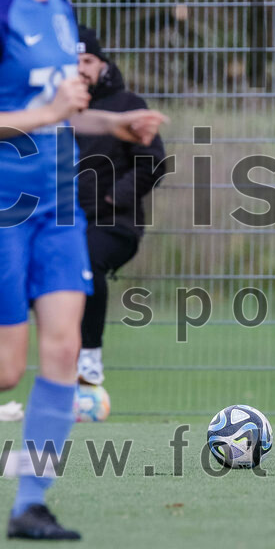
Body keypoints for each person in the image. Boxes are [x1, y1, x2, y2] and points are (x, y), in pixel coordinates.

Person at [0, 0, 166, 540]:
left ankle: (30, 503)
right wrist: (43, 113)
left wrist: (115, 127)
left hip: (58, 206)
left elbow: (60, 118)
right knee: (0, 369)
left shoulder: (62, 12)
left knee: (63, 352)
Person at [75, 25, 166, 386]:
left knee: (84, 261)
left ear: (101, 64)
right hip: (58, 221)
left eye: (87, 60)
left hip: (113, 223)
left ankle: (89, 356)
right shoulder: (48, 110)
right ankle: (63, 358)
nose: (80, 69)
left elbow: (153, 163)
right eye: (71, 62)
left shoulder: (127, 105)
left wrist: (113, 198)